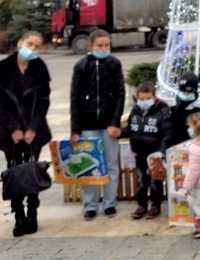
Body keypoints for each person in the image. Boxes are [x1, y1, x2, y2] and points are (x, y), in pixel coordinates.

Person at [0, 31, 52, 237]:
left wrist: (32, 128)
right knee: (13, 168)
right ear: (20, 43)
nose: (32, 49)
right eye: (29, 44)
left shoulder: (39, 68)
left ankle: (32, 212)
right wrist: (14, 128)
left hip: (34, 128)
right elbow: (0, 104)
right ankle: (18, 215)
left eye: (36, 46)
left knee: (32, 168)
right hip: (9, 130)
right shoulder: (1, 70)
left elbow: (44, 101)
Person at [69, 28, 125, 220]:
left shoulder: (114, 64)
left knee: (111, 165)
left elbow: (120, 94)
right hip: (88, 124)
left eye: (106, 45)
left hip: (109, 125)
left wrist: (115, 123)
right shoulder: (81, 66)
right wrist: (75, 129)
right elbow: (75, 99)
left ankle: (110, 204)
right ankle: (90, 205)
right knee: (89, 165)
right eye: (99, 46)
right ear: (91, 46)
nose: (103, 48)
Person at [120, 82, 173, 220]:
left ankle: (155, 206)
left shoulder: (163, 110)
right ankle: (142, 205)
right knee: (141, 181)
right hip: (139, 152)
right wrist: (119, 133)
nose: (144, 101)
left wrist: (161, 152)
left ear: (154, 97)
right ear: (137, 98)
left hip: (155, 153)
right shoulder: (136, 110)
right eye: (141, 98)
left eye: (147, 98)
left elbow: (167, 134)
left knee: (155, 181)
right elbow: (131, 129)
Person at [168, 72, 200, 147]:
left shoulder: (199, 105)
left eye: (189, 92)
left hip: (192, 143)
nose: (186, 94)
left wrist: (196, 129)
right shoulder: (172, 103)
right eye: (183, 91)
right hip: (173, 143)